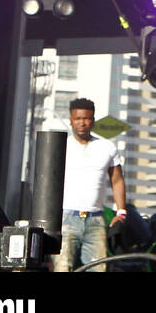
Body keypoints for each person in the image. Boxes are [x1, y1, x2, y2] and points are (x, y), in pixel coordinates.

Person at [56, 97, 126, 272]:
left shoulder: (107, 147)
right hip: (66, 217)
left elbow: (116, 180)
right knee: (63, 267)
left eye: (86, 118)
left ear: (93, 121)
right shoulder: (61, 145)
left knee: (98, 268)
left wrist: (121, 212)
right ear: (71, 120)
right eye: (78, 119)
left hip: (95, 218)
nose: (82, 123)